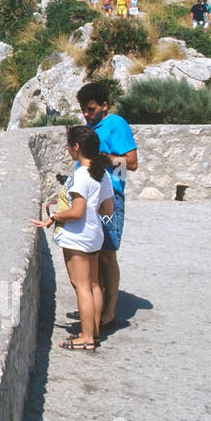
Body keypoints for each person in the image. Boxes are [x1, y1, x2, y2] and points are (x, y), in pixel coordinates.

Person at [31, 126, 114, 349]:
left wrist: (55, 216)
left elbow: (77, 211)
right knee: (95, 285)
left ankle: (86, 338)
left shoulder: (80, 175)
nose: (68, 150)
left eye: (69, 146)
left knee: (82, 286)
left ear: (77, 147)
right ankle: (93, 333)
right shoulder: (101, 174)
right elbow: (108, 209)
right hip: (94, 235)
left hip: (78, 237)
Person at [77, 81, 138, 331]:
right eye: (83, 109)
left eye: (91, 109)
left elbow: (132, 164)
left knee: (107, 253)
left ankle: (110, 312)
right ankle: (96, 306)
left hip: (110, 196)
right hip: (89, 196)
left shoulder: (116, 125)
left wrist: (110, 161)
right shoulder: (91, 127)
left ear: (104, 106)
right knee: (93, 253)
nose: (86, 114)